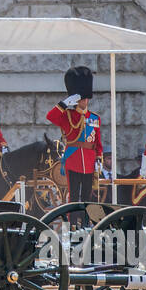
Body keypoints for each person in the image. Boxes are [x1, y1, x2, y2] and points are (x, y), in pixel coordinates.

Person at [47, 67, 100, 202]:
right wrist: (64, 104)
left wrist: (99, 158)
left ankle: (86, 222)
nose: (85, 101)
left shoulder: (94, 118)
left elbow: (97, 142)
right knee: (74, 197)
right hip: (73, 160)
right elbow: (50, 116)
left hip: (89, 162)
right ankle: (73, 223)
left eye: (87, 98)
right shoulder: (68, 116)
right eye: (82, 98)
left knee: (88, 197)